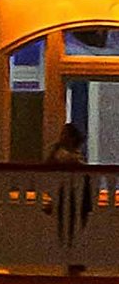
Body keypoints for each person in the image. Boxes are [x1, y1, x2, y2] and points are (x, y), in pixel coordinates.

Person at [49, 114, 94, 272]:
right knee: (69, 230)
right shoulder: (64, 154)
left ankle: (73, 261)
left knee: (72, 230)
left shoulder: (71, 156)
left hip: (76, 198)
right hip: (70, 198)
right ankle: (72, 261)